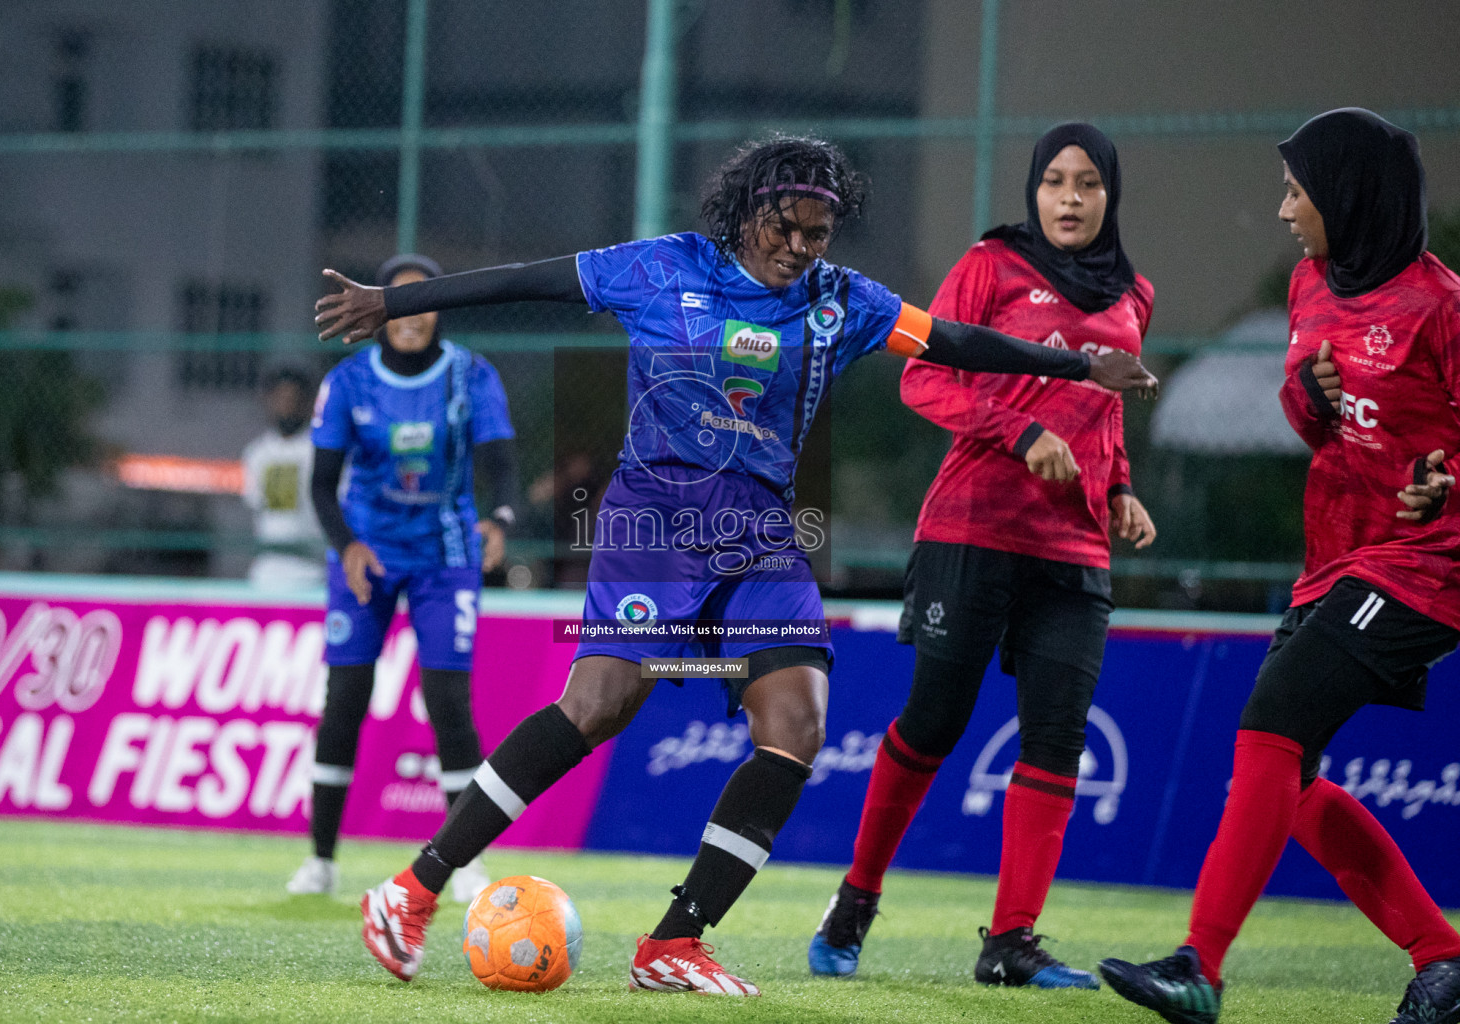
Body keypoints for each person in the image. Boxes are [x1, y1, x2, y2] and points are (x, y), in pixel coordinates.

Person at [315, 134, 1157, 992]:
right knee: (598, 706)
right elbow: (531, 277)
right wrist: (392, 303)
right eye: (788, 227)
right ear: (749, 211)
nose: (801, 248)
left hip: (759, 534)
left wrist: (1078, 366)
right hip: (656, 519)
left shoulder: (842, 302)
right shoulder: (660, 268)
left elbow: (951, 342)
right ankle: (412, 890)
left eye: (820, 233)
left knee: (797, 725)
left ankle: (674, 943)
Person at [1099, 108, 1460, 1024]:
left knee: (1269, 731)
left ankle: (1201, 967)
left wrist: (1447, 483)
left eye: (1297, 191)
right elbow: (1310, 424)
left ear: (1348, 196)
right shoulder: (1310, 285)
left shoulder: (1442, 306)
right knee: (1289, 789)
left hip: (1424, 562)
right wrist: (1305, 393)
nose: (1282, 210)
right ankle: (1444, 960)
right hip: (1334, 557)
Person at [808, 122, 1157, 989]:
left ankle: (1010, 942)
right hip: (971, 529)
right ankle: (855, 900)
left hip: (1074, 551)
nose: (1070, 199)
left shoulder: (1135, 292)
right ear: (1032, 190)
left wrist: (1118, 488)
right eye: (1055, 183)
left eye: (1087, 184)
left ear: (1110, 195)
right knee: (932, 723)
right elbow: (922, 375)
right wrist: (1021, 430)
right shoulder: (990, 267)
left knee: (1056, 740)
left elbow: (1105, 409)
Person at [285, 253, 520, 903]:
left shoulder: (472, 376)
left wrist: (500, 519)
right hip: (367, 558)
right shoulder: (349, 381)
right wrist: (347, 546)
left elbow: (501, 466)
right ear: (382, 309)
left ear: (437, 308)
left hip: (445, 557)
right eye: (398, 302)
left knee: (448, 703)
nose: (411, 316)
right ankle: (321, 861)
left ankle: (466, 863)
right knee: (345, 700)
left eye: (423, 302)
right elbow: (322, 485)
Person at [241, 367, 326, 590]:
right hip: (266, 573)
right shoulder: (256, 453)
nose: (287, 405)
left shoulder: (323, 452)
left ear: (308, 402)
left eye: (294, 399)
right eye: (280, 398)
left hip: (313, 573)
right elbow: (256, 505)